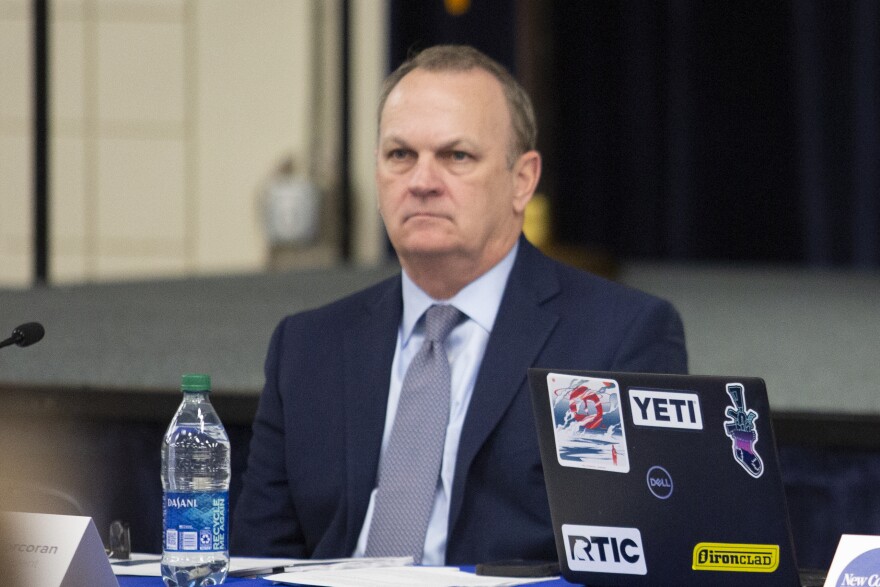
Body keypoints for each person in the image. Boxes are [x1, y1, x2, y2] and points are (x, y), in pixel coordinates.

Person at [230, 44, 687, 566]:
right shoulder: (308, 346)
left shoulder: (611, 339)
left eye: (456, 156)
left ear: (522, 181)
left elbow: (624, 559)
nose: (422, 181)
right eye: (400, 155)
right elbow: (258, 562)